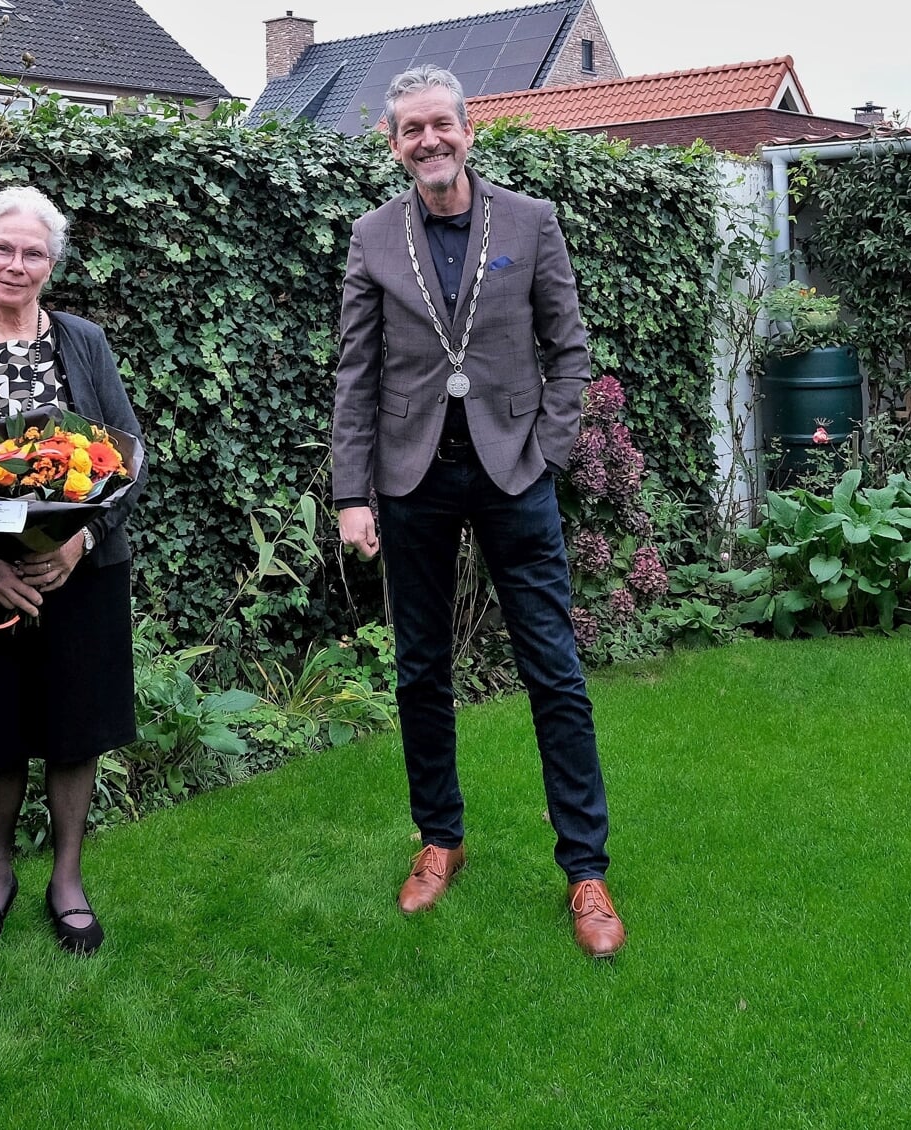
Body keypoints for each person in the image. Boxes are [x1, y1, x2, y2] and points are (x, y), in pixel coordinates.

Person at [330, 65, 626, 959]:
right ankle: (440, 840)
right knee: (421, 669)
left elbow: (567, 349)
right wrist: (351, 493)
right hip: (411, 477)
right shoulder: (373, 237)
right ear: (393, 144)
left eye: (440, 125)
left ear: (469, 129)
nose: (428, 141)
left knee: (553, 669)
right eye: (409, 129)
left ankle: (585, 867)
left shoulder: (531, 222)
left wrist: (553, 450)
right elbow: (356, 373)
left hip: (512, 474)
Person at [0, 186, 145, 958]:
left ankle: (65, 877)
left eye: (32, 253)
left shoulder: (83, 341)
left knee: (72, 727)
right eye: (3, 249)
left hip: (78, 573)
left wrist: (79, 541)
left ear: (50, 265)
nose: (16, 265)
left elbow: (124, 453)